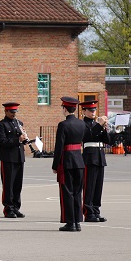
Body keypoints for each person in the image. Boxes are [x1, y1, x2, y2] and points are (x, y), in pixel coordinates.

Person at [52, 96, 86, 232]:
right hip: (79, 160)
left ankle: (70, 222)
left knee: (67, 192)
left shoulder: (63, 125)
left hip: (67, 161)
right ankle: (77, 221)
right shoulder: (82, 124)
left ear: (65, 108)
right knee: (78, 192)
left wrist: (55, 165)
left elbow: (59, 146)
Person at [79, 100, 111, 223]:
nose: (93, 112)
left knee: (98, 186)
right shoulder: (83, 124)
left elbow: (108, 141)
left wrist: (105, 128)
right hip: (89, 157)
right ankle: (88, 212)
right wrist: (99, 125)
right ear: (84, 111)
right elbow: (88, 136)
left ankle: (96, 210)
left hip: (100, 156)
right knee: (89, 186)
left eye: (94, 110)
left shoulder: (97, 124)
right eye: (90, 110)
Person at [0, 102, 26, 218]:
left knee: (18, 184)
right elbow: (2, 142)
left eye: (15, 112)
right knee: (8, 184)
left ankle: (16, 207)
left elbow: (21, 141)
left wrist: (25, 140)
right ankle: (8, 208)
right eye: (12, 112)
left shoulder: (19, 123)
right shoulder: (1, 125)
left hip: (19, 157)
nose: (14, 114)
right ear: (6, 112)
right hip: (8, 158)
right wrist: (18, 139)